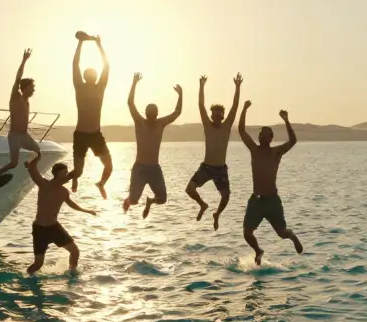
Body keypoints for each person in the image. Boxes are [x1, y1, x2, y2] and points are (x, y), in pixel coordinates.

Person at [237, 101, 303, 264]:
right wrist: (244, 109)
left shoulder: (276, 152)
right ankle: (258, 250)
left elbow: (293, 141)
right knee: (246, 233)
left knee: (281, 233)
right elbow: (241, 131)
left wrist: (286, 120)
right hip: (256, 200)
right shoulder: (254, 150)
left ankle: (292, 236)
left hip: (272, 200)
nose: (261, 137)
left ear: (271, 138)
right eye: (259, 135)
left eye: (264, 135)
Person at [186, 72, 243, 229]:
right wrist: (201, 86)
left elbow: (235, 107)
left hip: (220, 169)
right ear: (211, 116)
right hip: (207, 167)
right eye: (214, 114)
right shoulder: (207, 125)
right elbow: (200, 106)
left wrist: (237, 87)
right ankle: (202, 205)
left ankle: (217, 214)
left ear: (223, 116)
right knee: (189, 189)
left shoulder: (226, 126)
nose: (216, 116)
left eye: (219, 114)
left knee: (226, 196)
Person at [24, 153, 96, 275]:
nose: (66, 177)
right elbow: (32, 170)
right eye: (64, 175)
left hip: (54, 227)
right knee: (38, 264)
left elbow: (71, 204)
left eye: (67, 174)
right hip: (40, 229)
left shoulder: (64, 192)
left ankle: (72, 273)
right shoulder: (43, 185)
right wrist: (36, 159)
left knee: (75, 251)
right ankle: (26, 277)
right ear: (56, 175)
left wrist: (86, 210)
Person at [122, 72, 181, 218]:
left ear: (157, 113)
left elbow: (177, 112)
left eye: (155, 112)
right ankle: (129, 199)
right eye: (150, 112)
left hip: (154, 168)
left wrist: (180, 95)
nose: (153, 114)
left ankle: (149, 202)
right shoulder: (139, 122)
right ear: (146, 113)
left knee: (162, 199)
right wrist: (134, 83)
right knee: (134, 201)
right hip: (140, 168)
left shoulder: (160, 124)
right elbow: (130, 103)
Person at [69, 33, 112, 197]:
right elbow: (75, 64)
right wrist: (80, 43)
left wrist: (99, 45)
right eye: (90, 75)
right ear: (86, 77)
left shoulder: (100, 87)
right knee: (78, 172)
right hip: (81, 135)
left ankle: (101, 183)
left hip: (95, 134)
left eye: (94, 75)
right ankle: (69, 179)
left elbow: (106, 66)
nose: (92, 77)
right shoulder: (79, 86)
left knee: (109, 167)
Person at [0, 49, 42, 179]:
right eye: (32, 87)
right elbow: (18, 78)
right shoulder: (16, 97)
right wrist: (24, 60)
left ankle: (29, 167)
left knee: (38, 153)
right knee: (13, 163)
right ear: (25, 87)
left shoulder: (27, 101)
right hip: (14, 136)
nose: (34, 90)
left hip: (25, 136)